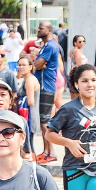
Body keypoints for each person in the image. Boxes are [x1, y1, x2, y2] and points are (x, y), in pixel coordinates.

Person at [34, 20, 60, 164]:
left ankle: (51, 152)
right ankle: (46, 151)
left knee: (44, 122)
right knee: (42, 121)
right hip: (42, 86)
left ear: (48, 31)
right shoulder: (45, 46)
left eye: (41, 28)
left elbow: (36, 65)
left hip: (46, 87)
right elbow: (38, 65)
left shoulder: (50, 46)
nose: (38, 30)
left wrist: (36, 65)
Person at [17, 56, 40, 153]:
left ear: (30, 67)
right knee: (27, 145)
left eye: (24, 65)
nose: (21, 67)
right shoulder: (26, 79)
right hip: (27, 116)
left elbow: (30, 101)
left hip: (29, 117)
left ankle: (34, 166)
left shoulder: (30, 80)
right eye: (19, 65)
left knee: (28, 146)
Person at [69, 35, 89, 99]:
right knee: (78, 99)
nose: (82, 43)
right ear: (75, 43)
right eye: (80, 42)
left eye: (84, 41)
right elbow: (78, 65)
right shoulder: (77, 51)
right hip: (77, 76)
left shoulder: (73, 50)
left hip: (74, 75)